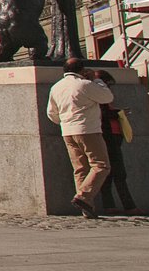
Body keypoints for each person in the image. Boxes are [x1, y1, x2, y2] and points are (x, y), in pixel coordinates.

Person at [45, 57, 113, 218]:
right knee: (101, 165)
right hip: (87, 129)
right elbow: (107, 97)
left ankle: (87, 208)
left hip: (67, 131)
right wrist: (97, 79)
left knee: (80, 168)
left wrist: (64, 122)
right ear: (82, 70)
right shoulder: (85, 85)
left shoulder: (56, 87)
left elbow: (51, 113)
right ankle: (84, 197)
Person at [95, 71, 141, 215]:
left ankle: (110, 205)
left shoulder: (101, 95)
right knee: (118, 172)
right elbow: (103, 114)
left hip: (111, 135)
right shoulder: (100, 95)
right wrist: (119, 113)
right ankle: (128, 206)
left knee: (110, 173)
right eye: (108, 85)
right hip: (108, 135)